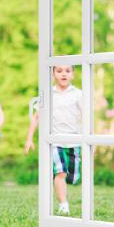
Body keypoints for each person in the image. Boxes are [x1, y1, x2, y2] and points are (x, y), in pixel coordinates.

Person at [24, 65, 82, 216]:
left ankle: (59, 181)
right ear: (53, 74)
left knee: (72, 178)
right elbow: (37, 118)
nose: (64, 74)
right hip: (54, 140)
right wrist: (29, 139)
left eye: (68, 71)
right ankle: (63, 204)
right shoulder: (48, 94)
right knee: (60, 173)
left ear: (73, 74)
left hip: (74, 139)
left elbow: (86, 116)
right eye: (59, 71)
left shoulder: (78, 94)